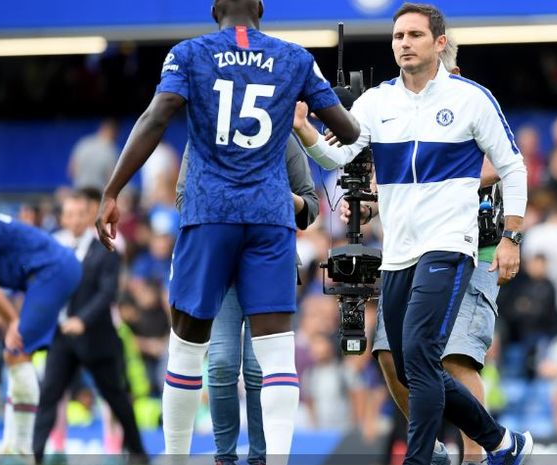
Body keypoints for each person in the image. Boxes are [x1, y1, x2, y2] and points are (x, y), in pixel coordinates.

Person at [95, 0, 360, 460]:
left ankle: (176, 458)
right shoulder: (295, 57)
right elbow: (347, 128)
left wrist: (112, 190)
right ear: (260, 8)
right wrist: (321, 122)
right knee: (275, 357)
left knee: (186, 351)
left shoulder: (189, 52)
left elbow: (156, 118)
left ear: (215, 8)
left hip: (210, 212)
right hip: (268, 218)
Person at [293, 4, 530, 465]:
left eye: (415, 35)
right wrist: (304, 129)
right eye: (399, 35)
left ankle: (422, 459)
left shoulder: (471, 98)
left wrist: (511, 236)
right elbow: (337, 160)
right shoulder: (377, 102)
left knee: (425, 354)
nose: (404, 42)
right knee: (402, 363)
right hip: (399, 252)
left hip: (451, 244)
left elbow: (512, 165)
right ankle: (502, 442)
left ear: (439, 43)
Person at [176, 133, 320, 465]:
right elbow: (183, 198)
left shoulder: (283, 135)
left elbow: (309, 206)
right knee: (223, 362)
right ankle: (224, 458)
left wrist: (278, 198)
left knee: (260, 368)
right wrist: (221, 206)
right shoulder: (203, 134)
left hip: (270, 264)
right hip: (221, 265)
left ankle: (261, 458)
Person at [32, 192, 148, 463]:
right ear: (62, 217)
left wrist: (82, 320)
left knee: (115, 397)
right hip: (62, 338)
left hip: (96, 338)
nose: (74, 219)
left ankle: (139, 452)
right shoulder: (54, 250)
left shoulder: (105, 249)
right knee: (49, 395)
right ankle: (34, 455)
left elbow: (107, 294)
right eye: (69, 214)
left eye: (80, 213)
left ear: (89, 217)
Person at [0, 212, 81, 455]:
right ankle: (13, 445)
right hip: (47, 272)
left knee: (17, 351)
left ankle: (23, 448)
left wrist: (12, 319)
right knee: (13, 354)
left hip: (53, 270)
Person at [68, 118, 120, 191]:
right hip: (98, 196)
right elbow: (112, 179)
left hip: (79, 193)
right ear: (115, 132)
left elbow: (71, 171)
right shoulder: (111, 150)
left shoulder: (83, 143)